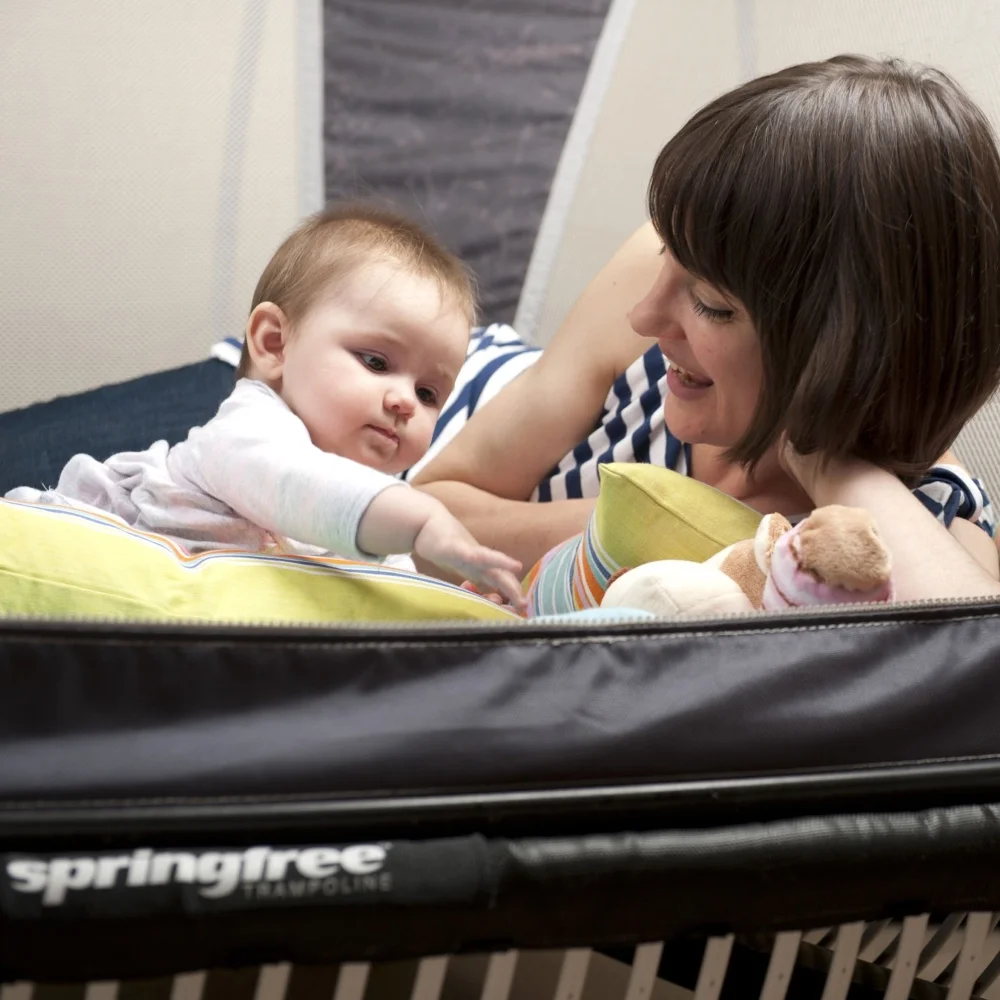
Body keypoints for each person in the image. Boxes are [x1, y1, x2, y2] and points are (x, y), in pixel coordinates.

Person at [412, 55, 1000, 603]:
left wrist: (825, 464)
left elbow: (972, 658)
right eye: (668, 256)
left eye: (711, 304)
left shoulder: (930, 519)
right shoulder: (653, 277)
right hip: (444, 383)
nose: (644, 316)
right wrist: (663, 521)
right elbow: (429, 510)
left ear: (843, 352)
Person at [6, 204, 526, 608]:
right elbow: (296, 484)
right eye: (375, 361)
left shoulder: (380, 518)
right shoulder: (250, 430)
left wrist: (457, 607)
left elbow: (389, 605)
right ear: (275, 344)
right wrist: (423, 522)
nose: (404, 401)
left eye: (429, 393)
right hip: (65, 564)